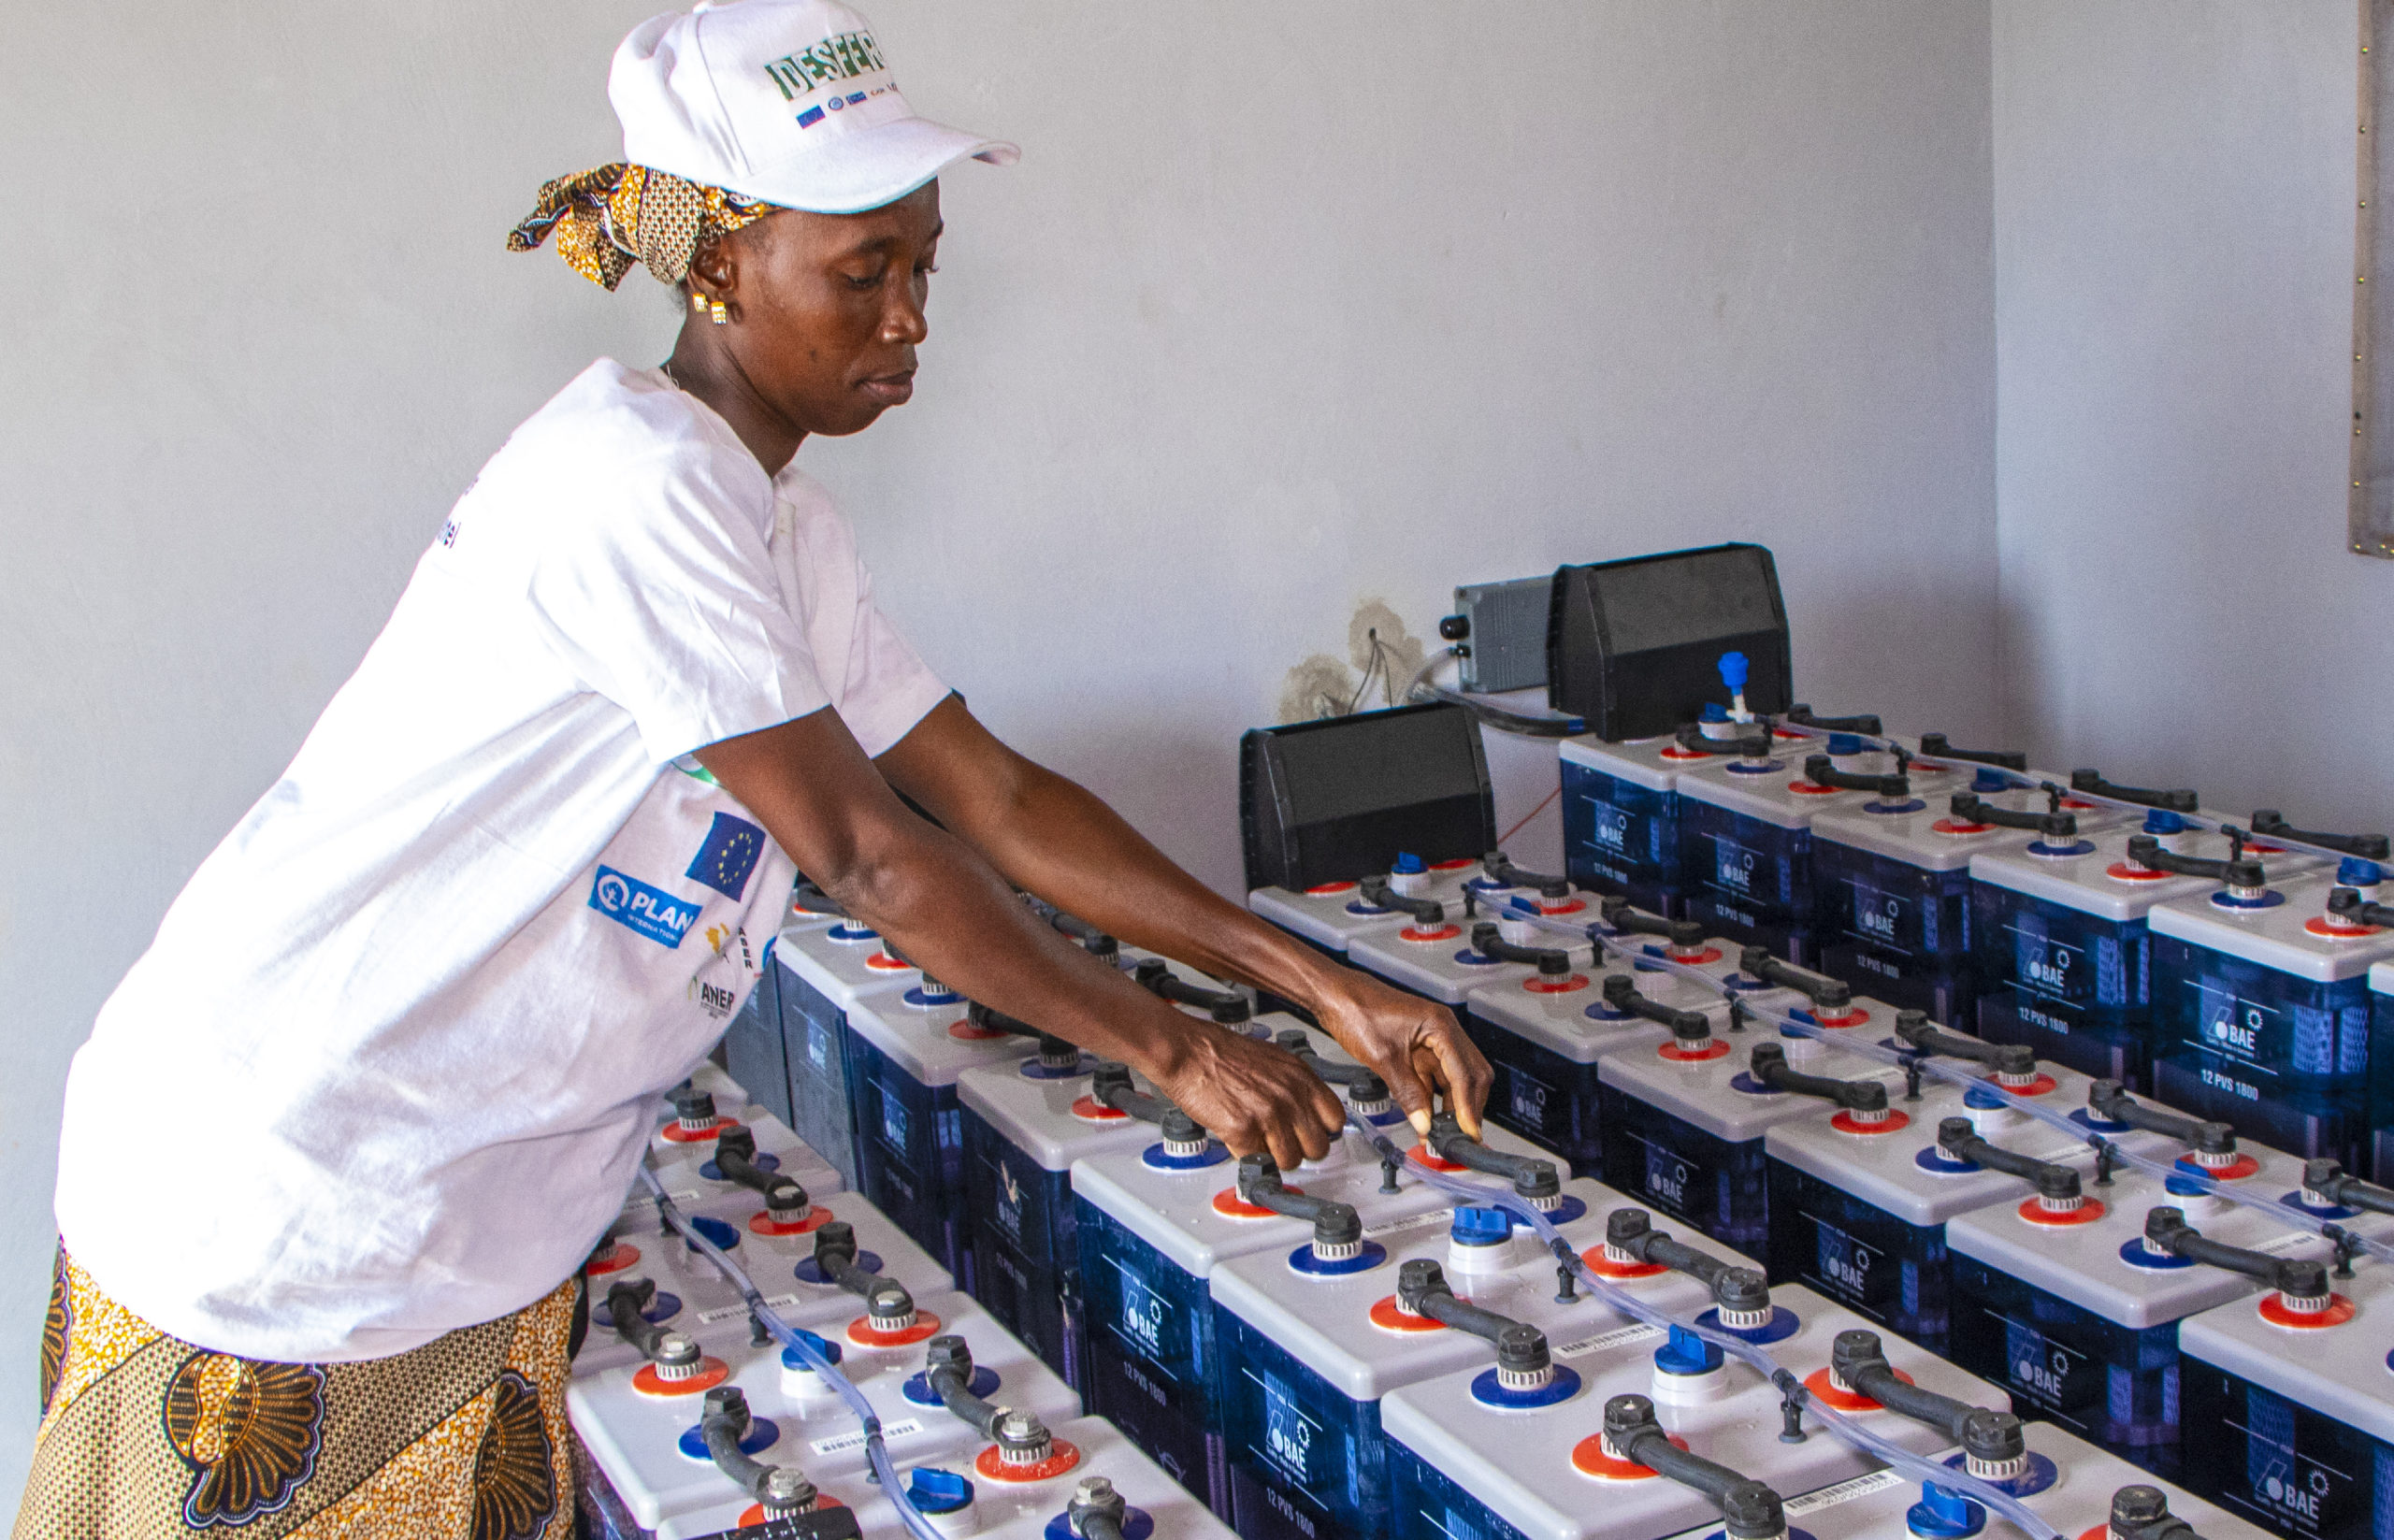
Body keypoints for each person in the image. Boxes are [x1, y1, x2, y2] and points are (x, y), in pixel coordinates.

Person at [17, 1, 1492, 1534]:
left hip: (461, 1219)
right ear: (719, 263)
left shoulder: (779, 526)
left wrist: (1320, 985)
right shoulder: (633, 486)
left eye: (926, 266)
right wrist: (1171, 1047)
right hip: (298, 1206)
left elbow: (992, 796)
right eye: (866, 274)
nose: (913, 318)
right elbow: (871, 853)